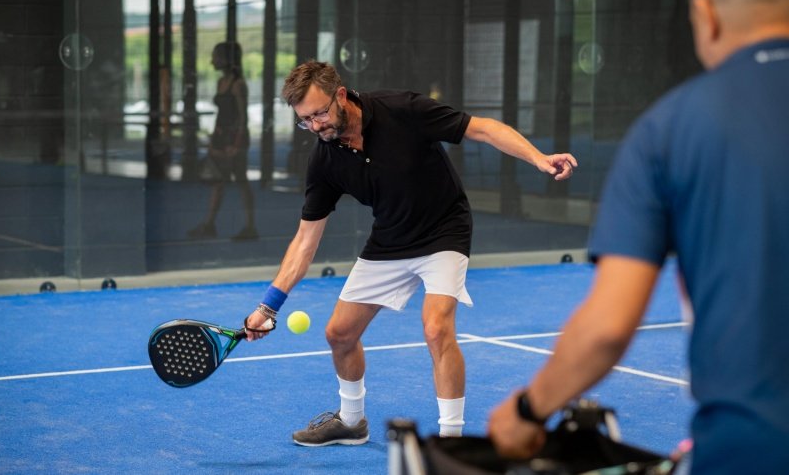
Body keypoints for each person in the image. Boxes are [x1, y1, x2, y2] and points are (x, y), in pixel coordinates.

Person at [487, 0, 789, 472]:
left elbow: (606, 328)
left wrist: (528, 411)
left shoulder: (671, 129)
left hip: (751, 447)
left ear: (706, 14)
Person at [244, 60, 578, 446]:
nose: (316, 125)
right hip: (390, 238)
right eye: (305, 120)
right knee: (339, 333)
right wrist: (268, 307)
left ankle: (451, 442)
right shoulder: (325, 159)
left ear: (341, 95)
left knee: (436, 328)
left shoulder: (402, 109)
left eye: (320, 113)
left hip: (443, 230)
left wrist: (538, 158)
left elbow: (482, 129)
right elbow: (305, 242)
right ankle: (352, 422)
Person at [188, 41, 258, 241]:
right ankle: (210, 224)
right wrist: (213, 139)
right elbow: (222, 115)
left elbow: (243, 118)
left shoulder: (238, 84)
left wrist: (236, 144)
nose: (212, 61)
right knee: (219, 182)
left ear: (227, 59)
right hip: (221, 137)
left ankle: (250, 226)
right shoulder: (221, 83)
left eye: (216, 57)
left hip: (234, 139)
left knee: (241, 181)